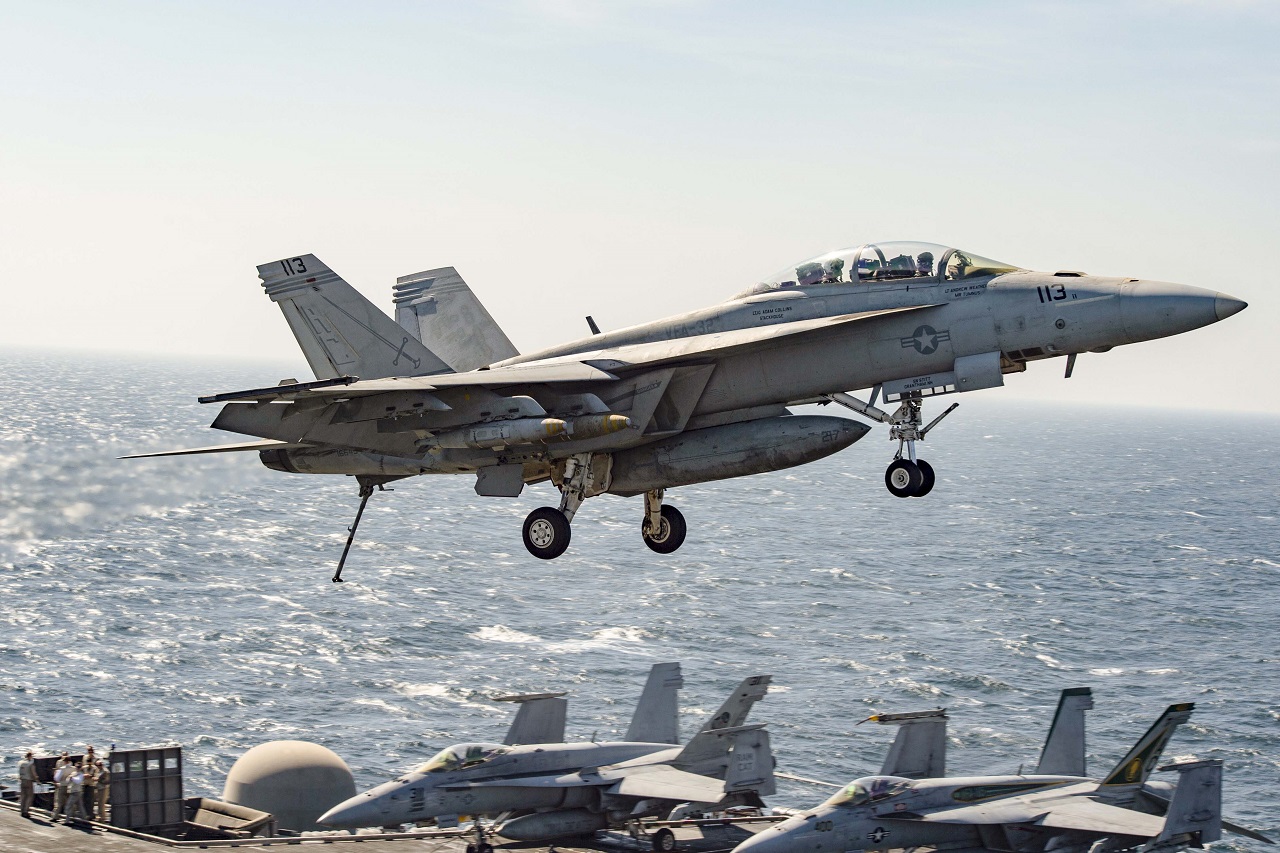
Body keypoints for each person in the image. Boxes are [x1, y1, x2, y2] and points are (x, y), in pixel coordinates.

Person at [51, 752, 73, 821]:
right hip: (69, 786)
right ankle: (68, 818)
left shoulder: (62, 769)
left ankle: (55, 816)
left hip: (62, 785)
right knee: (69, 803)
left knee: (59, 802)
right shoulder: (73, 768)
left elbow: (56, 778)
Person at [18, 751, 37, 818]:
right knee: (29, 796)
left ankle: (22, 810)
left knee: (23, 796)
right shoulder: (30, 764)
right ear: (30, 756)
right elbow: (33, 773)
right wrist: (37, 780)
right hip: (28, 781)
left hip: (22, 780)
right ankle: (26, 811)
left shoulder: (21, 763)